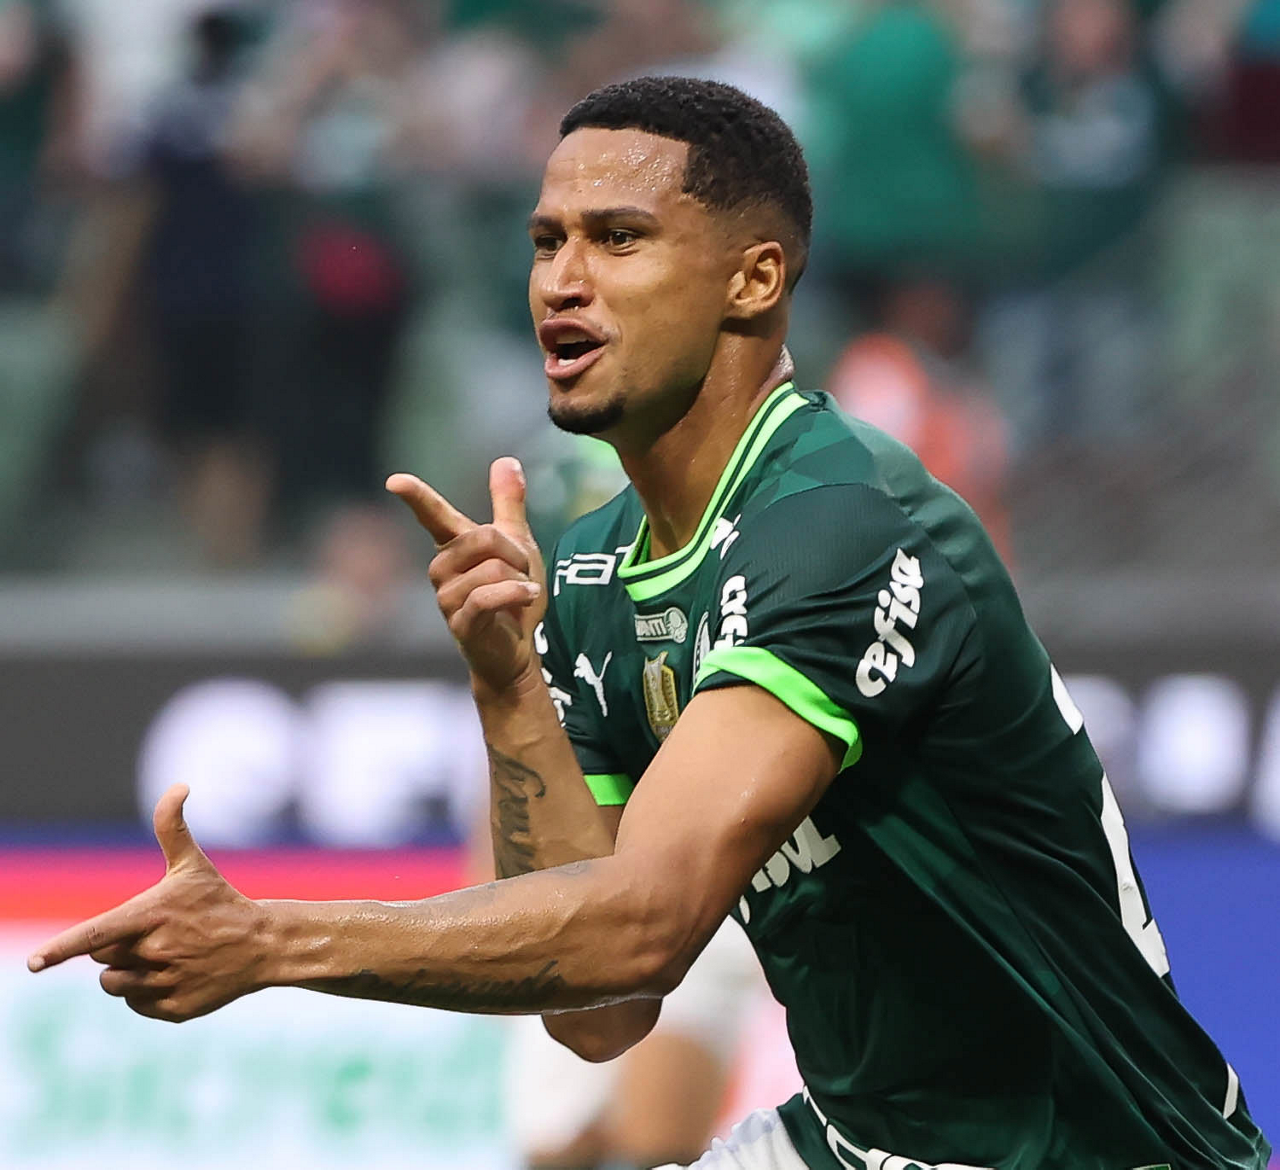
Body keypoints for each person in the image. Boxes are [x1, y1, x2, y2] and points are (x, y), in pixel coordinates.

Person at [27, 77, 1270, 1170]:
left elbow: (640, 928)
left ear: (754, 279)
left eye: (617, 238)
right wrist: (509, 684)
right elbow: (597, 1018)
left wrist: (267, 941)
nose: (560, 281)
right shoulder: (588, 571)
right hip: (863, 1138)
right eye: (545, 241)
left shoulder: (838, 522)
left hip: (1087, 1149)